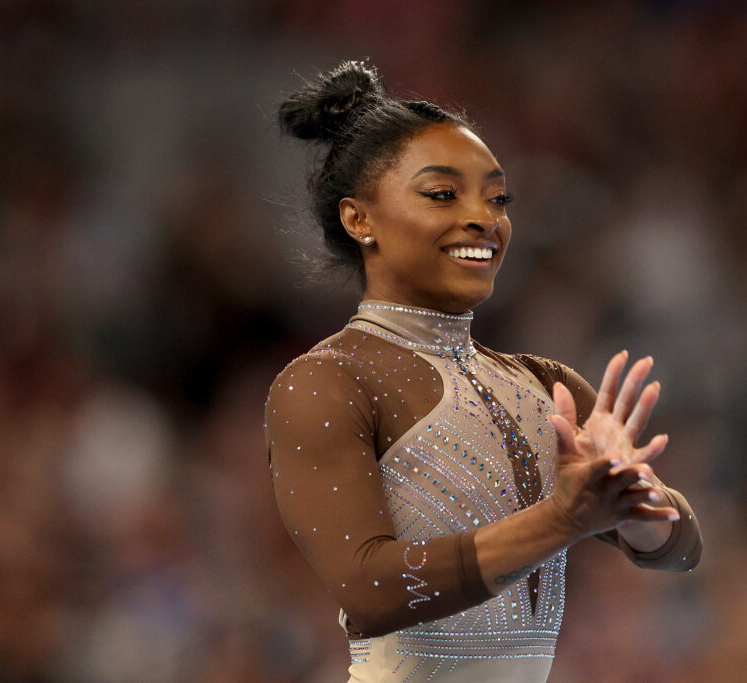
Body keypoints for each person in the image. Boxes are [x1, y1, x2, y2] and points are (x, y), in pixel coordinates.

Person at [264, 60, 702, 683]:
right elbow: (370, 589)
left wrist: (632, 498)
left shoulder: (543, 385)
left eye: (497, 198)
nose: (483, 218)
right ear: (359, 219)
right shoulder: (327, 382)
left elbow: (679, 553)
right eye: (443, 194)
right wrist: (561, 520)